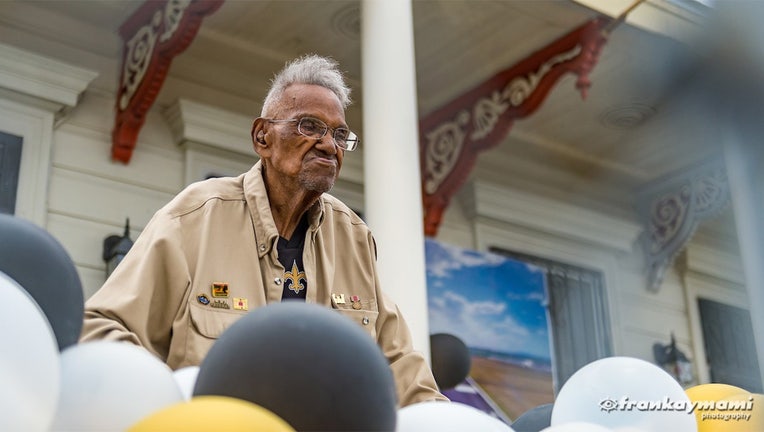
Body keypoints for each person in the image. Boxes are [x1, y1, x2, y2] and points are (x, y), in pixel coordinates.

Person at [81, 54, 448, 407]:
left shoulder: (353, 236)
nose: (328, 144)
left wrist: (444, 420)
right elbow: (102, 327)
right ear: (262, 138)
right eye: (310, 126)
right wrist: (174, 403)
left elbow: (401, 370)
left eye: (340, 134)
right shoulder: (195, 216)